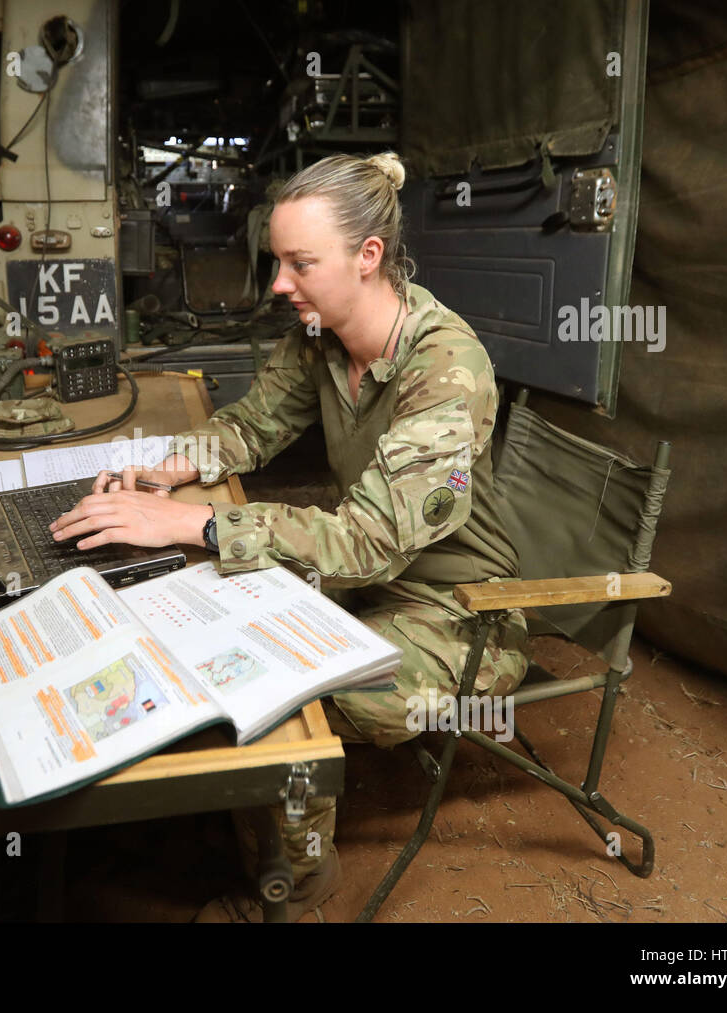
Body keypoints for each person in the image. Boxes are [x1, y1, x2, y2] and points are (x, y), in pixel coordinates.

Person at [48, 151, 530, 921]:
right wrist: (167, 472)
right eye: (279, 261)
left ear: (368, 257)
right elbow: (252, 425)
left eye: (300, 263)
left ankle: (297, 887)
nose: (279, 283)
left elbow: (370, 540)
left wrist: (202, 522)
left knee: (267, 685)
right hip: (370, 577)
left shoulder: (447, 368)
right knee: (217, 619)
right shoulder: (323, 336)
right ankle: (242, 807)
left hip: (462, 614)